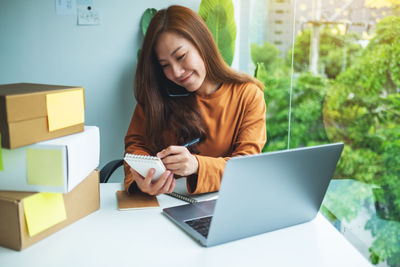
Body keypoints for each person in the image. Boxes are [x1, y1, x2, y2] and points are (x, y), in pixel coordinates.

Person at [124, 5, 266, 196]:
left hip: (226, 203)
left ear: (202, 44)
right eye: (165, 65)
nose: (175, 72)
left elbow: (247, 166)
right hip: (165, 203)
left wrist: (197, 165)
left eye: (181, 57)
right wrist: (143, 180)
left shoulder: (247, 95)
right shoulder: (157, 93)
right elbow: (136, 146)